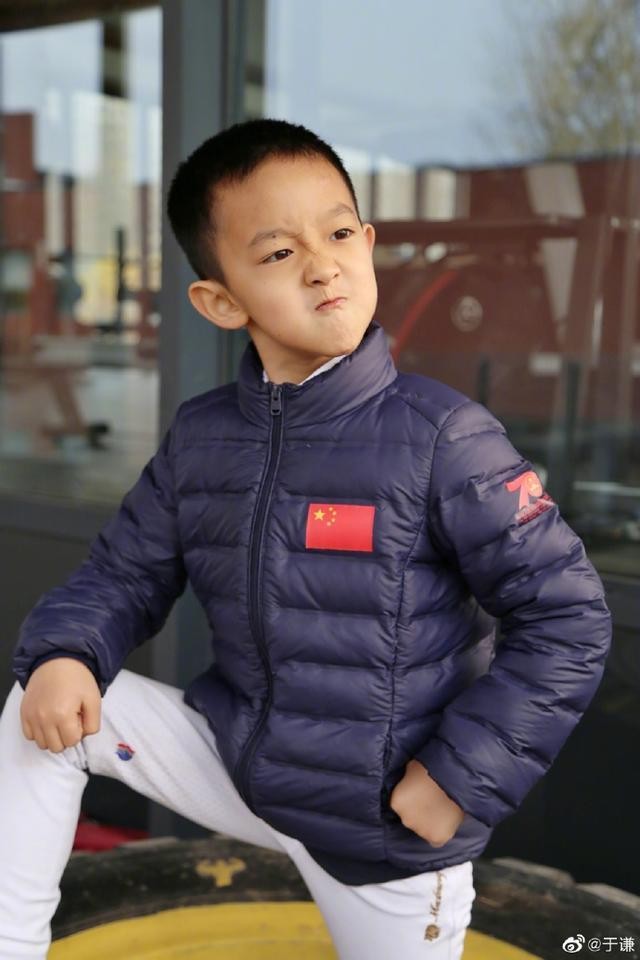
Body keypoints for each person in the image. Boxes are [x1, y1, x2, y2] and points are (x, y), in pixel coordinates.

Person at [0, 118, 612, 960]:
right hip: (244, 764)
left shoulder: (445, 437)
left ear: (368, 243)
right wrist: (68, 651)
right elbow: (123, 573)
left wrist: (458, 780)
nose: (323, 265)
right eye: (280, 252)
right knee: (38, 702)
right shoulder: (203, 436)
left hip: (384, 830)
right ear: (222, 302)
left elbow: (568, 617)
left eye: (338, 235)